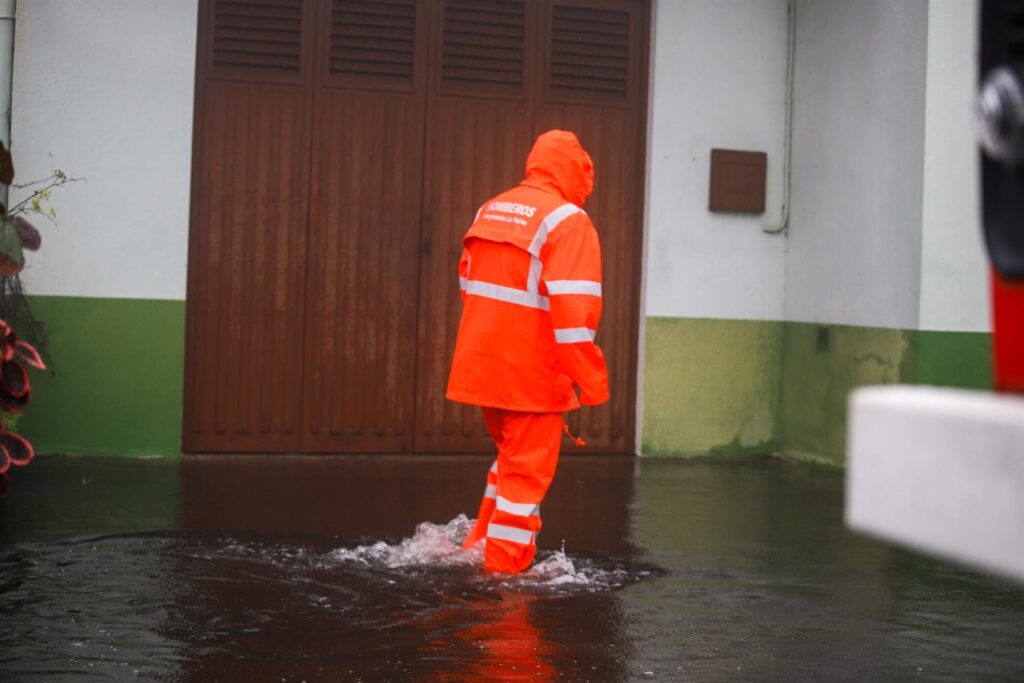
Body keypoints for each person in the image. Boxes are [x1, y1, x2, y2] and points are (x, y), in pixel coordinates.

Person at [447, 129, 609, 574]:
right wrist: (591, 382)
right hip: (531, 377)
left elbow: (468, 285)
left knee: (510, 463)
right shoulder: (568, 221)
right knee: (523, 484)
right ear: (578, 171)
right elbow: (574, 313)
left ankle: (478, 546)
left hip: (484, 368)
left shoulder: (491, 209)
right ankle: (503, 583)